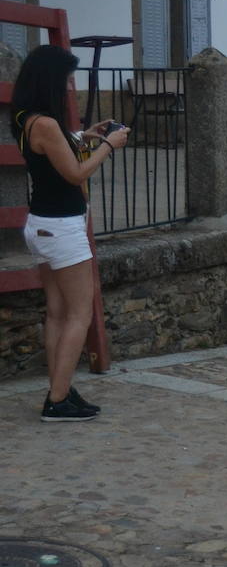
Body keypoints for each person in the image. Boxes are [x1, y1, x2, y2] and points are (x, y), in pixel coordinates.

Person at [11, 45, 129, 421]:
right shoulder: (46, 123)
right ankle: (57, 400)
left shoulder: (27, 118)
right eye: (66, 78)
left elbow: (53, 151)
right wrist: (109, 145)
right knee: (81, 313)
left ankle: (59, 388)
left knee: (58, 313)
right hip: (62, 228)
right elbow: (75, 174)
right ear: (50, 79)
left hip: (42, 225)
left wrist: (84, 137)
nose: (70, 85)